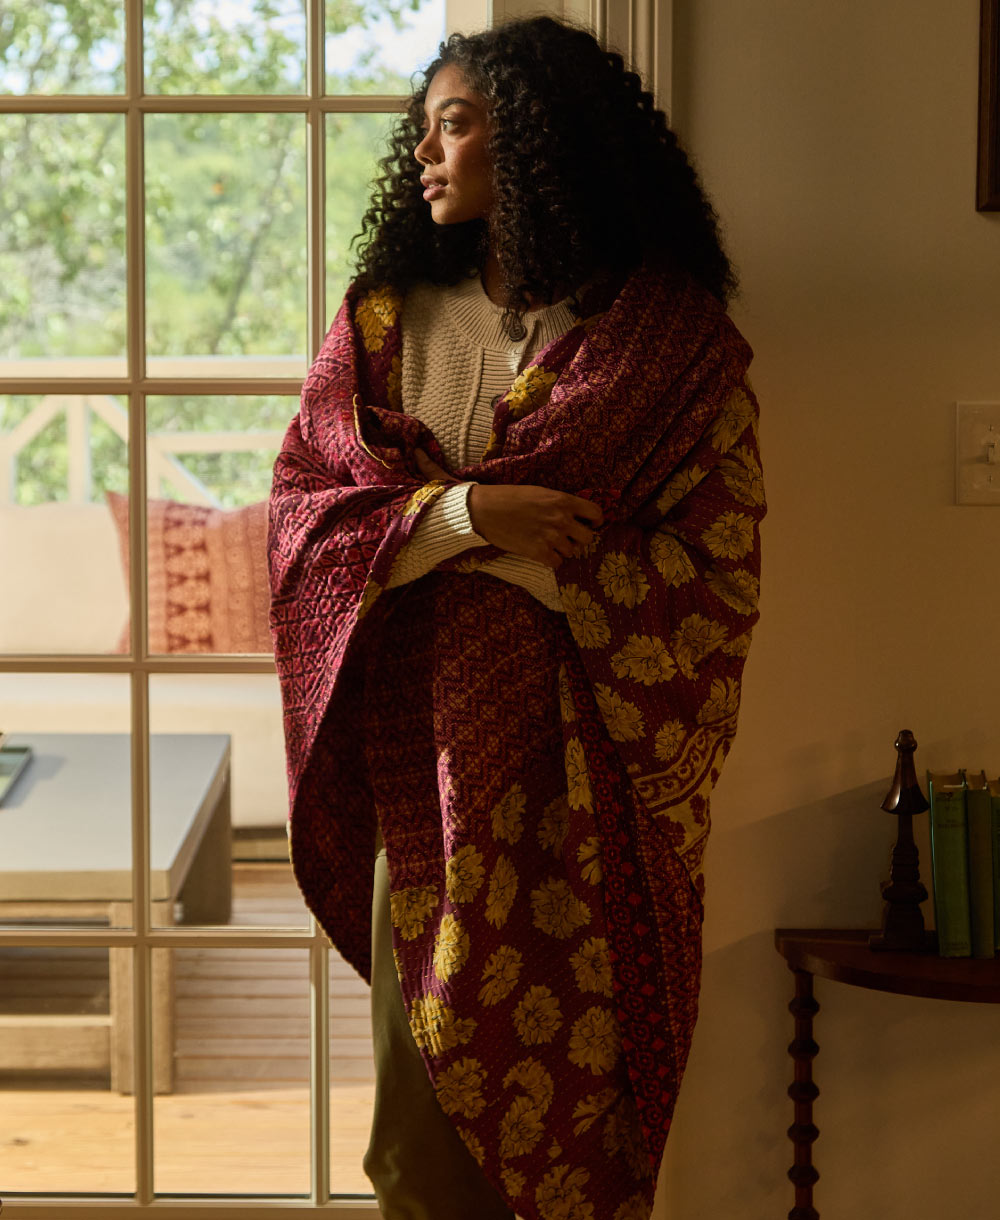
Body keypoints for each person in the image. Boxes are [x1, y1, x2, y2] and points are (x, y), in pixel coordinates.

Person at [268, 16, 764, 1220]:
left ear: (537, 142)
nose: (426, 153)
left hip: (590, 794)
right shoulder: (385, 321)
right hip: (423, 771)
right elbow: (300, 515)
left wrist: (548, 568)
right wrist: (472, 518)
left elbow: (717, 566)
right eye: (421, 131)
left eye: (456, 124)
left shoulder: (669, 339)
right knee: (415, 1142)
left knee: (580, 1127)